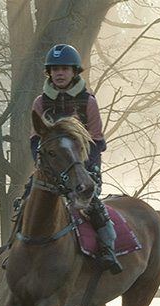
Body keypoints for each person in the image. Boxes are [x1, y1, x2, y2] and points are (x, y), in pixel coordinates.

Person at [27, 43, 122, 274]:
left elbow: (97, 141)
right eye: (55, 69)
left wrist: (85, 171)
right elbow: (34, 141)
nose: (60, 73)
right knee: (25, 203)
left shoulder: (88, 102)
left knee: (94, 207)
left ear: (74, 72)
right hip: (50, 167)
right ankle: (14, 247)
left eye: (65, 69)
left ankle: (108, 250)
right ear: (50, 73)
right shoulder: (40, 102)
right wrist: (42, 166)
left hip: (82, 165)